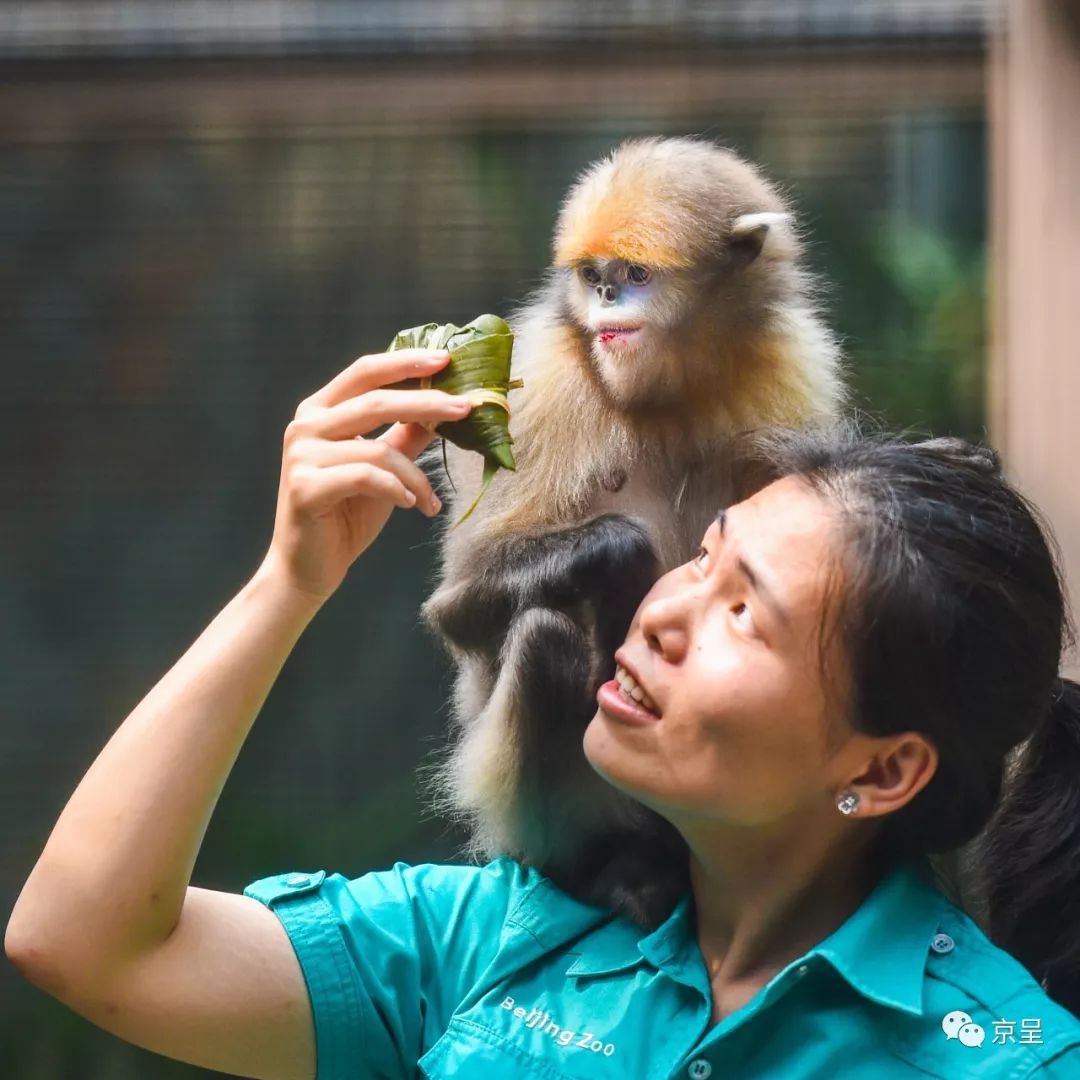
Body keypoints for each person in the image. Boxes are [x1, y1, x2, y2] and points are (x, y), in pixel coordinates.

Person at [6, 346, 1080, 1080]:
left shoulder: (1006, 1056)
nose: (657, 613)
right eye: (703, 559)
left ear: (886, 768)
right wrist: (288, 584)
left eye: (746, 615)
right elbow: (85, 942)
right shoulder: (487, 938)